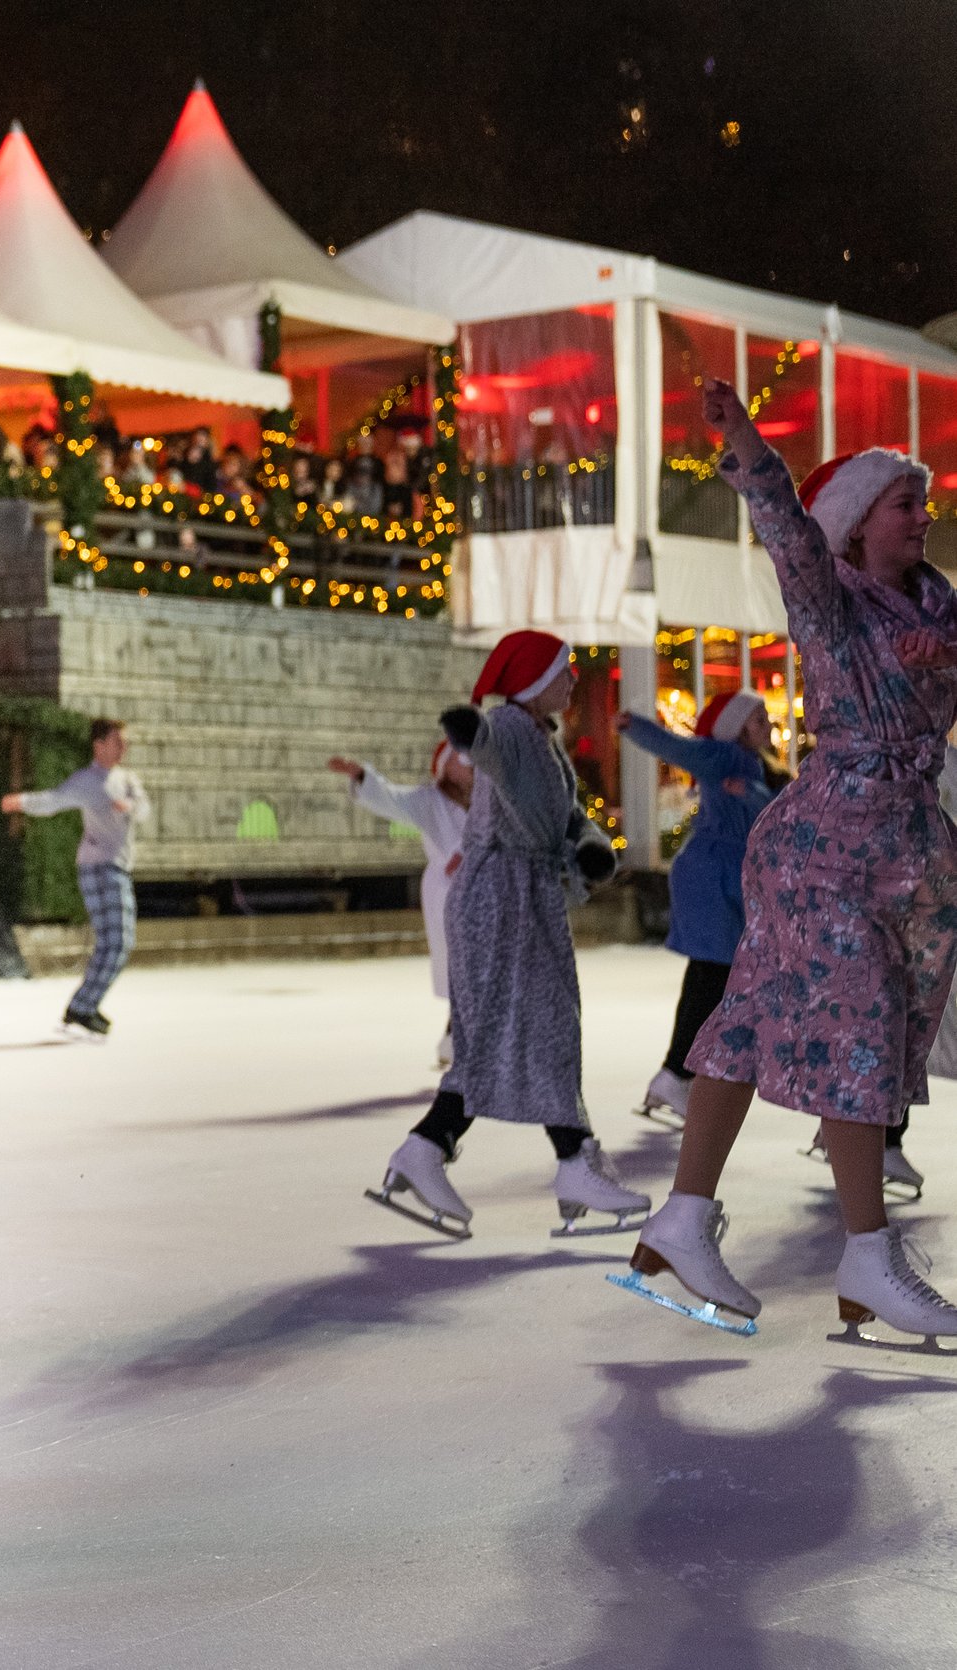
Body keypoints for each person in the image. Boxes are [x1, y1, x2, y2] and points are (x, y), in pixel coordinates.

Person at [621, 380, 957, 1342]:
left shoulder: (942, 609)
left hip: (903, 844)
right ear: (855, 526)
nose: (923, 517)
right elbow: (790, 538)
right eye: (906, 504)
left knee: (750, 1019)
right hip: (826, 847)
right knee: (861, 1026)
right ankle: (868, 1254)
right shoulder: (831, 601)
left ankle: (683, 1215)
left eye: (924, 504)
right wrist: (750, 451)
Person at [365, 630, 642, 1239]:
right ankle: (565, 1159)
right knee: (529, 1027)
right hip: (499, 898)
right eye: (564, 671)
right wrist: (472, 734)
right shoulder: (512, 728)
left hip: (523, 895)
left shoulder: (542, 737)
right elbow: (489, 748)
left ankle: (441, 1149)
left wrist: (590, 844)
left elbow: (563, 812)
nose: (573, 680)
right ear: (534, 681)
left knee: (530, 1028)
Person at [613, 691, 777, 1129]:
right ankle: (675, 1074)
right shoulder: (721, 754)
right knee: (713, 977)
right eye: (759, 718)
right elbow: (677, 748)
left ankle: (675, 1073)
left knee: (710, 976)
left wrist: (752, 791)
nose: (768, 724)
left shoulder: (751, 764)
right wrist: (636, 726)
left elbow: (767, 810)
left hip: (721, 875)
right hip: (709, 875)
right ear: (736, 727)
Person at [0, 718, 150, 1040]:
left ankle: (83, 1006)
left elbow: (144, 809)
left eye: (125, 743)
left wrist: (131, 806)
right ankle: (82, 1007)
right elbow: (55, 800)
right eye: (117, 742)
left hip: (117, 866)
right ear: (99, 745)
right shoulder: (87, 781)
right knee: (118, 941)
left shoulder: (126, 780)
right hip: (98, 867)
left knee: (116, 943)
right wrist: (23, 802)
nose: (124, 748)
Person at [329, 737, 473, 1066]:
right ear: (445, 764)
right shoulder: (430, 800)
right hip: (449, 895)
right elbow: (394, 799)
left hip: (487, 892)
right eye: (461, 758)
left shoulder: (488, 802)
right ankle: (458, 1036)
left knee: (485, 968)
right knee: (462, 967)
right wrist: (363, 776)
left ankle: (464, 1037)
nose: (470, 766)